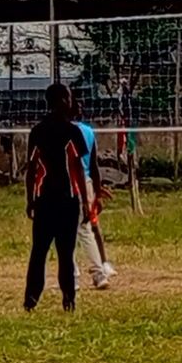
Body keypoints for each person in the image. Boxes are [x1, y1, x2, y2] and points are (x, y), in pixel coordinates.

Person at [23, 83, 90, 313]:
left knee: (39, 252)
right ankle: (68, 299)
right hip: (66, 200)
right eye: (69, 98)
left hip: (43, 200)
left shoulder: (37, 131)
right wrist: (85, 201)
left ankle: (31, 299)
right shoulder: (72, 131)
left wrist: (30, 199)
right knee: (65, 253)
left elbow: (31, 169)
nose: (71, 102)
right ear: (62, 101)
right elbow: (78, 168)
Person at [69, 95, 115, 289]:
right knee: (86, 228)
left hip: (69, 183)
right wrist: (96, 190)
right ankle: (99, 273)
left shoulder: (65, 131)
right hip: (87, 183)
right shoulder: (88, 131)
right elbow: (94, 165)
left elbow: (75, 164)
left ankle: (73, 277)